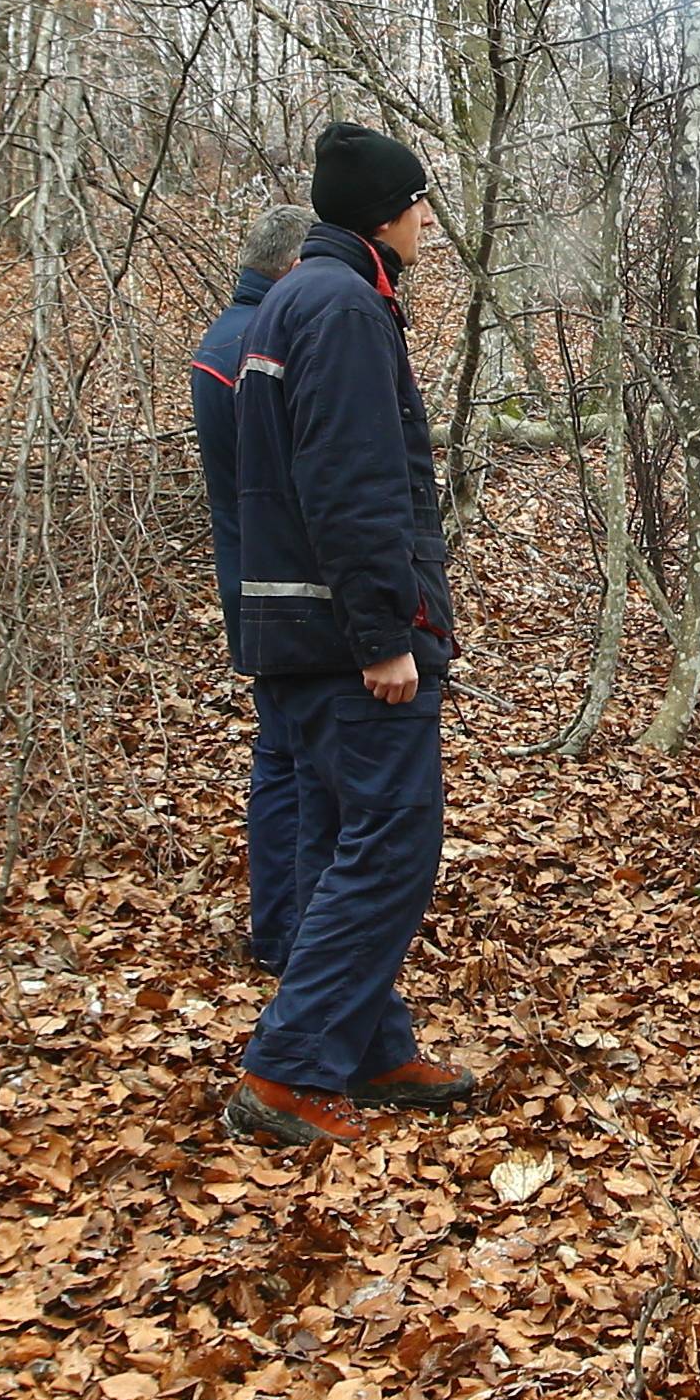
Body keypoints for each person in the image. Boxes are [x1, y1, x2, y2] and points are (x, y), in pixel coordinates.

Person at [223, 122, 478, 1151]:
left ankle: (370, 1050)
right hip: (342, 640)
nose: (427, 222)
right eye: (419, 205)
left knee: (339, 844)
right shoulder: (342, 309)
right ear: (386, 213)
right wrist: (385, 635)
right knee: (391, 846)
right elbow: (354, 486)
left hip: (296, 631)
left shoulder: (300, 300)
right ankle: (287, 1074)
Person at [192, 204, 314, 974]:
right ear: (295, 270)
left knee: (283, 756)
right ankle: (294, 939)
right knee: (301, 764)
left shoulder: (226, 339)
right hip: (289, 593)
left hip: (252, 584)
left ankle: (281, 932)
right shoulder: (265, 345)